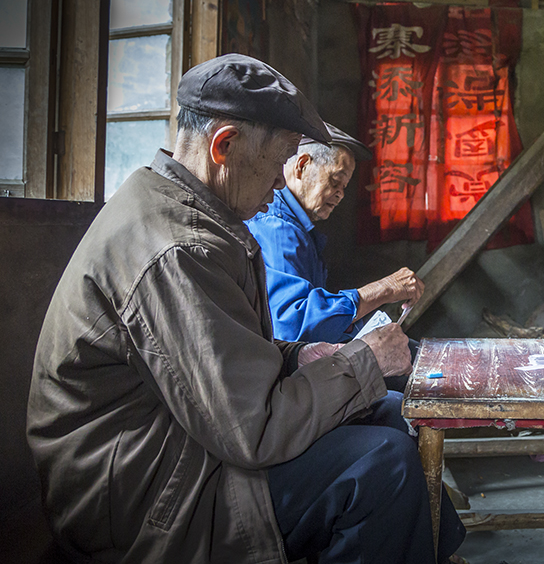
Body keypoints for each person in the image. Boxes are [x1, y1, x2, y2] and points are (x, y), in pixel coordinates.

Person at [26, 54, 465, 564]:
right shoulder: (178, 247)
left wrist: (296, 355)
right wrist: (364, 360)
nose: (280, 184)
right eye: (277, 164)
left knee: (384, 411)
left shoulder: (197, 215)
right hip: (143, 494)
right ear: (225, 145)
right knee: (385, 465)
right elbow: (253, 430)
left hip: (188, 441)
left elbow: (224, 356)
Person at [246, 124, 422, 392]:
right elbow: (293, 324)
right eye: (334, 181)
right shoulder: (277, 227)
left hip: (304, 367)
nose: (340, 194)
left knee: (410, 357)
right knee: (397, 399)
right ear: (302, 166)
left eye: (344, 186)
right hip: (283, 381)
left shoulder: (298, 229)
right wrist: (382, 289)